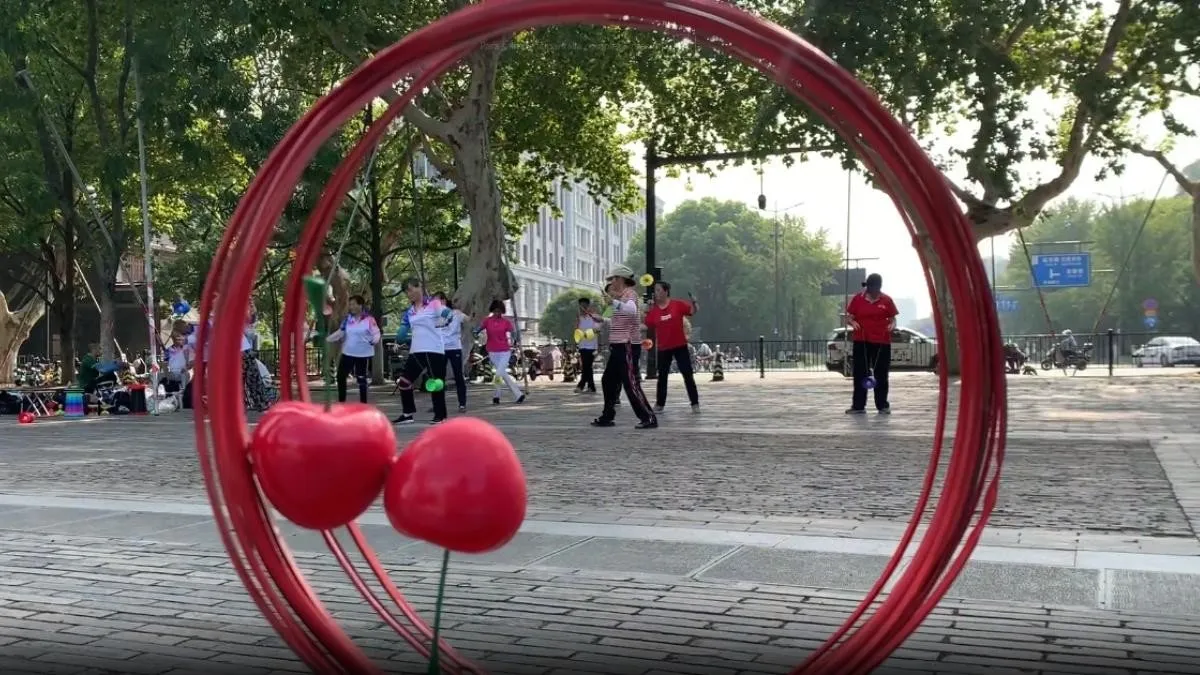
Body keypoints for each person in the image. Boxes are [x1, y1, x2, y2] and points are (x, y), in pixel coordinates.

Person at [592, 265, 656, 429]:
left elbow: (631, 311)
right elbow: (618, 320)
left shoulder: (630, 294)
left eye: (613, 279)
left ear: (621, 279)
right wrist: (602, 319)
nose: (611, 282)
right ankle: (607, 416)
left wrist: (613, 302)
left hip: (627, 344)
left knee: (631, 383)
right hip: (618, 345)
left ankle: (648, 417)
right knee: (608, 380)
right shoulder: (620, 298)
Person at [392, 278, 449, 425]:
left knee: (435, 383)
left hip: (434, 349)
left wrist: (443, 321)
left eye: (411, 290)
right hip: (416, 351)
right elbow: (403, 330)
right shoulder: (409, 311)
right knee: (404, 382)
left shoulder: (433, 304)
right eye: (406, 292)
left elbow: (447, 314)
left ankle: (440, 415)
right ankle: (408, 414)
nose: (409, 294)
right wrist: (400, 336)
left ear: (420, 287)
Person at [845, 273, 898, 414]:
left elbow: (893, 319)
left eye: (876, 290)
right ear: (867, 287)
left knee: (881, 373)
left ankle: (882, 405)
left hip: (882, 341)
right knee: (860, 372)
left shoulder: (887, 300)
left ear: (880, 287)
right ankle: (858, 406)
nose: (874, 293)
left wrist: (892, 325)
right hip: (861, 340)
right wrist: (853, 322)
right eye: (871, 290)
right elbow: (849, 317)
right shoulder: (858, 299)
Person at [645, 281, 700, 413]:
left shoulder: (677, 304)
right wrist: (647, 310)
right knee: (662, 377)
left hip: (680, 345)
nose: (656, 293)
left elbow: (693, 311)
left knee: (687, 374)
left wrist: (694, 302)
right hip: (663, 348)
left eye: (658, 290)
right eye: (655, 291)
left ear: (666, 291)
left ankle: (695, 403)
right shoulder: (654, 310)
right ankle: (659, 404)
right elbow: (647, 324)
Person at [326, 295, 381, 404]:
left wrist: (374, 340)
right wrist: (327, 339)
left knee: (361, 379)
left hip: (362, 354)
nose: (351, 307)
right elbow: (340, 332)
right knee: (341, 376)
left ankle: (363, 404)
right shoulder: (348, 320)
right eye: (350, 304)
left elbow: (376, 333)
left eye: (353, 304)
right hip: (348, 353)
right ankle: (341, 402)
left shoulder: (369, 320)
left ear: (360, 305)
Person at [478, 300, 526, 405]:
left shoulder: (506, 322)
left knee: (498, 374)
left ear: (502, 311)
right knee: (503, 374)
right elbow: (478, 329)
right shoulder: (487, 321)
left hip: (504, 351)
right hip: (492, 352)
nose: (497, 313)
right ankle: (518, 394)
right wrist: (475, 332)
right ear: (492, 310)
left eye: (499, 311)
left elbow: (513, 333)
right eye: (495, 311)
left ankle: (496, 396)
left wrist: (516, 338)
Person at [433, 291, 469, 412]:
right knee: (438, 377)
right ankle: (438, 404)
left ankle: (462, 404)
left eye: (437, 301)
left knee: (458, 375)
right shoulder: (435, 315)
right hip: (440, 348)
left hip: (454, 348)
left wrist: (471, 315)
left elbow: (469, 320)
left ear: (443, 301)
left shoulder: (456, 313)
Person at [575, 297, 600, 393]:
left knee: (587, 366)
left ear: (588, 306)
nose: (582, 308)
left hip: (592, 346)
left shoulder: (594, 317)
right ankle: (591, 387)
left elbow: (597, 329)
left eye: (585, 306)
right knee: (586, 367)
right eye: (581, 306)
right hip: (582, 345)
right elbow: (577, 330)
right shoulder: (579, 318)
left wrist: (587, 334)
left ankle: (581, 385)